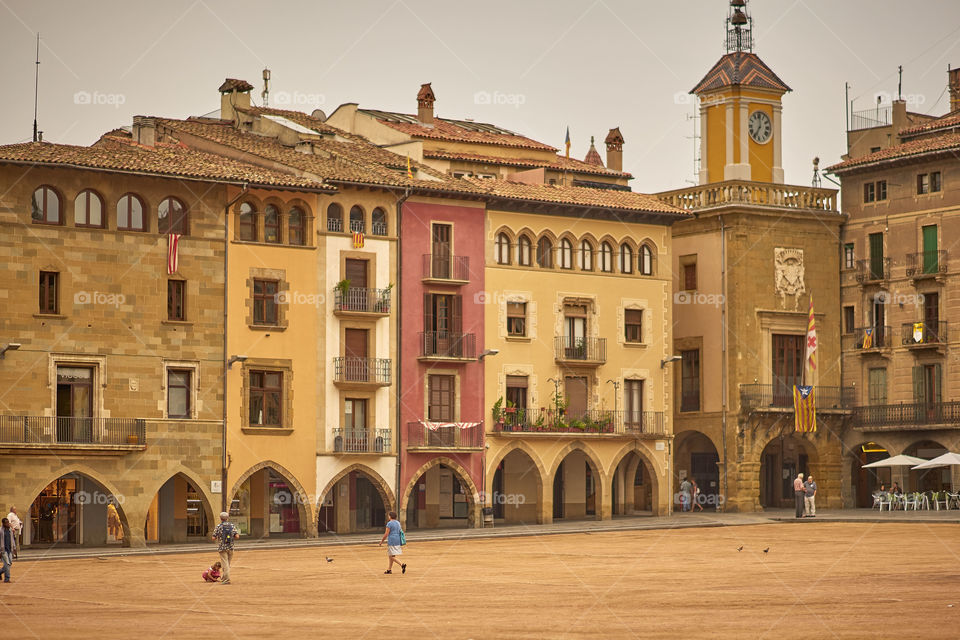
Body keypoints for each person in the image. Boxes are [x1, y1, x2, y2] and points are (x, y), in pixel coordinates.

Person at [211, 512, 239, 584]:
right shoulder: (232, 526)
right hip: (231, 547)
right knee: (227, 564)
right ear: (227, 518)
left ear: (220, 518)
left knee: (225, 564)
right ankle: (224, 577)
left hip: (222, 548)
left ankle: (226, 579)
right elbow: (237, 536)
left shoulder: (219, 526)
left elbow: (213, 538)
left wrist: (219, 537)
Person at [1, 517, 16, 583]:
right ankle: (7, 578)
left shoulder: (10, 530)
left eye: (8, 522)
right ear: (3, 523)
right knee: (7, 564)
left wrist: (14, 548)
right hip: (3, 550)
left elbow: (12, 539)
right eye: (6, 523)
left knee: (9, 563)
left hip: (10, 549)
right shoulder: (1, 531)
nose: (8, 524)